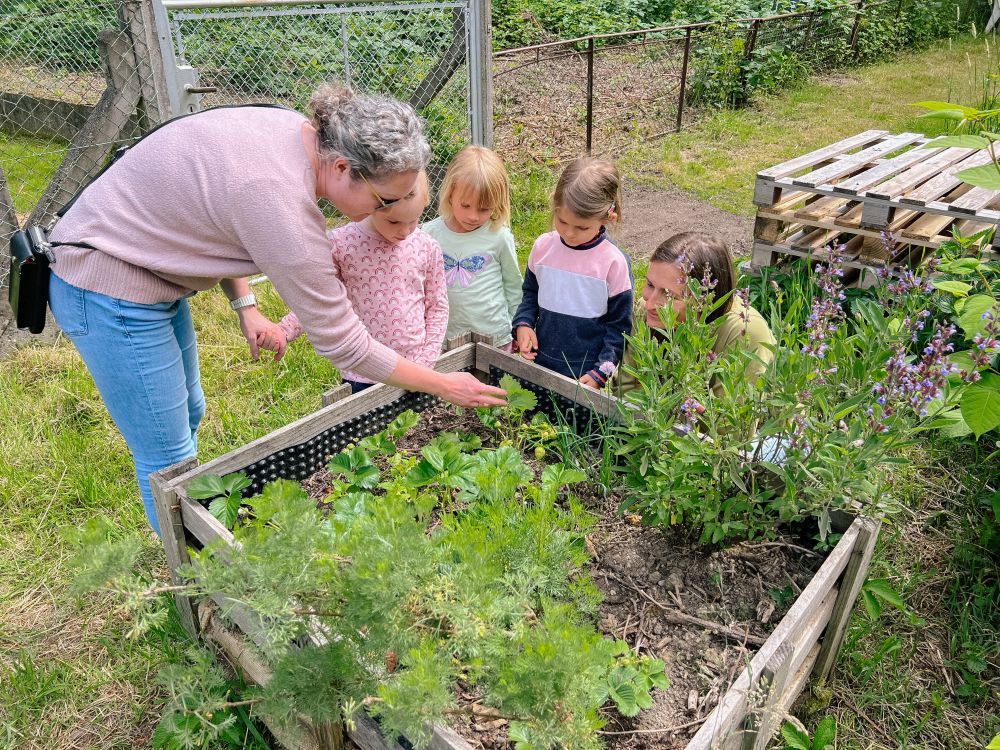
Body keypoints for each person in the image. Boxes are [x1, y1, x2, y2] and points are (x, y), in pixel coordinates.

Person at [46, 83, 504, 535]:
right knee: (167, 456)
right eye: (384, 202)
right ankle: (196, 585)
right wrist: (442, 383)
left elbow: (213, 210)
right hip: (109, 285)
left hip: (151, 272)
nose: (386, 211)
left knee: (188, 413)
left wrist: (245, 304)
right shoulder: (281, 202)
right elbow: (344, 342)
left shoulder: (300, 136)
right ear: (344, 168)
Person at [277, 171, 448, 394]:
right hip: (363, 373)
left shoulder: (426, 246)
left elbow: (437, 306)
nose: (405, 231)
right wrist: (285, 329)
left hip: (415, 369)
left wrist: (426, 362)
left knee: (414, 429)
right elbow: (319, 301)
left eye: (414, 220)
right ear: (372, 205)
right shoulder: (342, 245)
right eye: (394, 221)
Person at [512, 157, 632, 389]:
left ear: (609, 216)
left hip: (585, 378)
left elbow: (620, 328)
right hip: (540, 366)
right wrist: (523, 324)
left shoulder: (613, 263)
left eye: (582, 227)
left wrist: (602, 372)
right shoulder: (542, 248)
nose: (569, 233)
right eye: (562, 221)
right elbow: (530, 295)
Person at [615, 231, 776, 398]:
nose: (649, 303)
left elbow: (731, 421)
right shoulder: (646, 310)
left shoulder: (744, 331)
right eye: (649, 285)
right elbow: (626, 389)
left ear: (704, 300)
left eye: (668, 295)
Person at [422, 146, 521, 351]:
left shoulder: (498, 236)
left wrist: (518, 325)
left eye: (484, 209)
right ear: (450, 195)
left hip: (494, 338)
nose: (473, 216)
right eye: (465, 205)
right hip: (446, 339)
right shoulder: (430, 235)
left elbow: (513, 286)